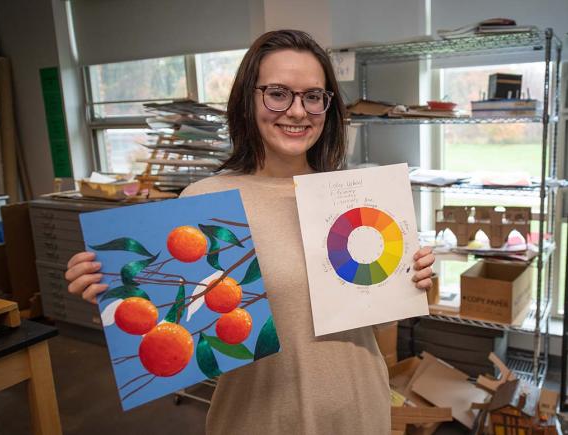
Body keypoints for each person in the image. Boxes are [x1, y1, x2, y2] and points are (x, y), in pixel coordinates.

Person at [65, 29, 435, 435]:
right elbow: (175, 329)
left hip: (360, 413)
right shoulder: (204, 203)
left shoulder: (349, 197)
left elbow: (374, 324)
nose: (298, 111)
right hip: (261, 420)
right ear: (248, 98)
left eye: (313, 96)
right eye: (278, 93)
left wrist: (411, 280)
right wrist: (116, 291)